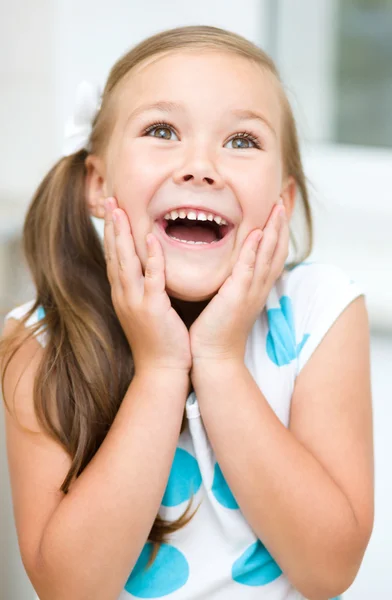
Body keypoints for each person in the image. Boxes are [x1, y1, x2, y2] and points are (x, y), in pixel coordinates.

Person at [0, 25, 374, 600]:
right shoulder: (39, 340)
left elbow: (329, 570)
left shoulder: (319, 314)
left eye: (242, 141)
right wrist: (160, 370)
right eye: (162, 130)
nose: (200, 166)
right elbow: (70, 588)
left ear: (284, 203)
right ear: (98, 183)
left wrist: (220, 360)